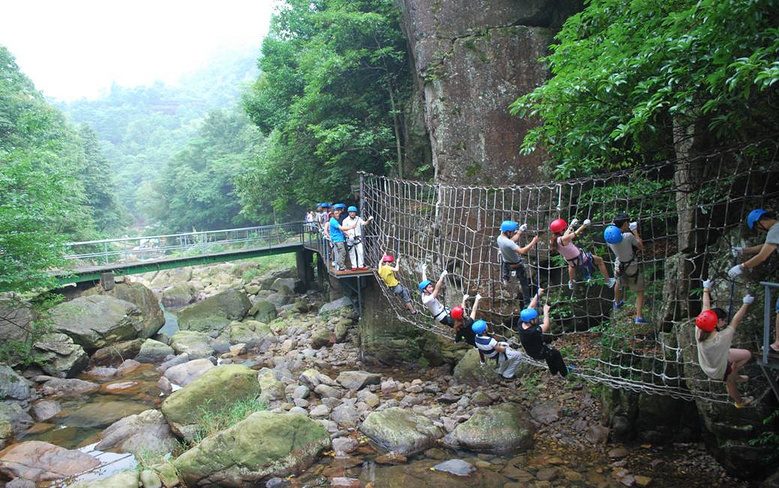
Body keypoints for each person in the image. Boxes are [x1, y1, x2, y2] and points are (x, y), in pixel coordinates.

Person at [696, 280, 754, 407]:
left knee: (746, 354)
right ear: (717, 322)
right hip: (718, 369)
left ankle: (734, 374)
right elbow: (735, 321)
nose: (725, 321)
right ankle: (739, 402)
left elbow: (705, 306)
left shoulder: (700, 329)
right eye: (722, 319)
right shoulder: (720, 338)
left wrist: (706, 289)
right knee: (730, 383)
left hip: (711, 361)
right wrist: (746, 304)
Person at [729, 208, 779, 353]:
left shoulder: (775, 229)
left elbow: (763, 255)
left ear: (760, 223)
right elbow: (765, 246)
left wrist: (742, 266)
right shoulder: (776, 228)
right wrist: (744, 251)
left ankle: (777, 345)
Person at [549, 217, 615, 290]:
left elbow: (565, 236)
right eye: (563, 229)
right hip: (582, 258)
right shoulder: (563, 239)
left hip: (571, 261)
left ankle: (571, 282)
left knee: (571, 265)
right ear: (561, 230)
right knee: (600, 260)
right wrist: (584, 225)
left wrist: (571, 226)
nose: (565, 229)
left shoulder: (553, 241)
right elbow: (575, 233)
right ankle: (608, 281)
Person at [604, 213, 647, 324]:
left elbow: (612, 231)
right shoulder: (628, 236)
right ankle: (639, 317)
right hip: (631, 265)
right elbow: (640, 246)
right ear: (625, 224)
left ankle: (617, 303)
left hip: (619, 265)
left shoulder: (609, 238)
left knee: (618, 283)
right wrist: (635, 230)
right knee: (640, 291)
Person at [518, 288, 568, 377]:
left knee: (549, 355)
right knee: (555, 353)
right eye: (535, 318)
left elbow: (530, 307)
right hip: (538, 352)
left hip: (531, 350)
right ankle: (565, 373)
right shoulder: (533, 331)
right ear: (531, 321)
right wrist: (546, 311)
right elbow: (546, 325)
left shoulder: (521, 322)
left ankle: (554, 372)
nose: (537, 319)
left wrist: (537, 294)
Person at [497, 220, 539, 304]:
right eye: (512, 231)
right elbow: (522, 251)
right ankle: (527, 302)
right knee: (524, 284)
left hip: (507, 263)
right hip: (516, 265)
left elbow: (511, 241)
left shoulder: (499, 238)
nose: (513, 232)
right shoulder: (508, 243)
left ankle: (505, 277)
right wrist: (533, 242)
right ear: (508, 232)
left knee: (504, 260)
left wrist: (520, 231)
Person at [343, 206, 373, 270]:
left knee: (360, 251)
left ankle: (361, 265)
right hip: (350, 238)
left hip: (358, 238)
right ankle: (354, 266)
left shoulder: (358, 219)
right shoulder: (345, 220)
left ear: (355, 213)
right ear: (349, 213)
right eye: (351, 212)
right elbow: (343, 229)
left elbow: (365, 223)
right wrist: (348, 234)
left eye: (353, 212)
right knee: (352, 253)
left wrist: (369, 220)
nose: (352, 213)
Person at [328, 205, 356, 271]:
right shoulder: (333, 221)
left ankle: (341, 265)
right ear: (332, 214)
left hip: (340, 239)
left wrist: (348, 233)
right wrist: (351, 227)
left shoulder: (334, 220)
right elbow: (341, 228)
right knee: (342, 252)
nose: (338, 215)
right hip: (337, 240)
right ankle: (341, 267)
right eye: (336, 213)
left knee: (342, 252)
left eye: (338, 213)